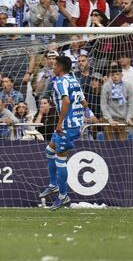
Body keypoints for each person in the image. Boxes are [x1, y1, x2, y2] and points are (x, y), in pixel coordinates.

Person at [39, 56, 88, 210]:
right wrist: (80, 117)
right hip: (72, 124)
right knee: (49, 150)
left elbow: (66, 101)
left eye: (55, 65)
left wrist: (60, 123)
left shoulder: (60, 81)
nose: (53, 67)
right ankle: (53, 185)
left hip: (67, 126)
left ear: (60, 67)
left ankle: (63, 197)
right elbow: (84, 103)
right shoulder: (74, 80)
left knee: (61, 160)